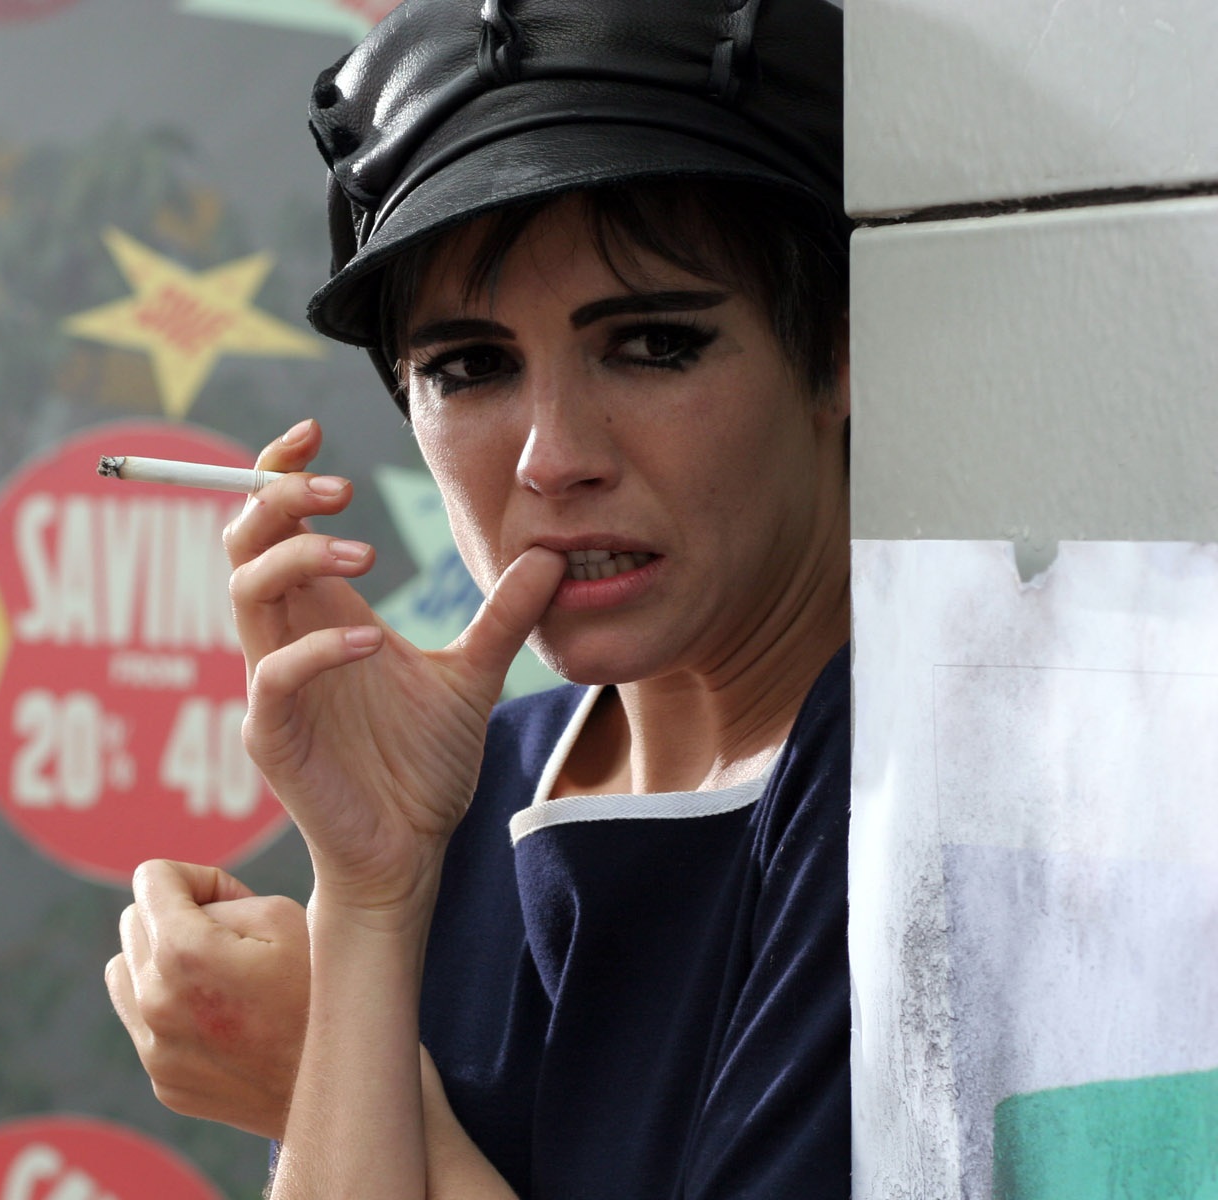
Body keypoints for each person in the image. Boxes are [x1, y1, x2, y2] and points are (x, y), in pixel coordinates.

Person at [105, 1, 851, 1195]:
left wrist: (321, 1068)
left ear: (843, 351)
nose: (553, 458)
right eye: (470, 367)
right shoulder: (461, 787)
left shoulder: (923, 779)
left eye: (653, 344)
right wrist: (369, 890)